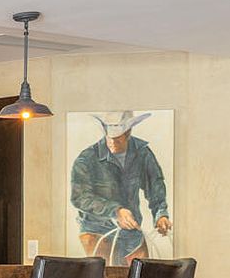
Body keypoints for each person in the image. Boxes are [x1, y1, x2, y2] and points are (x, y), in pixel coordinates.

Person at [69, 111, 171, 265]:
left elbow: (155, 184)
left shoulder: (142, 153)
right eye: (109, 139)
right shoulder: (87, 159)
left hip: (131, 231)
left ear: (128, 133)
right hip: (96, 231)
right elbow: (79, 198)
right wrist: (116, 211)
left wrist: (161, 214)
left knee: (142, 277)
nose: (112, 143)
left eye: (117, 140)